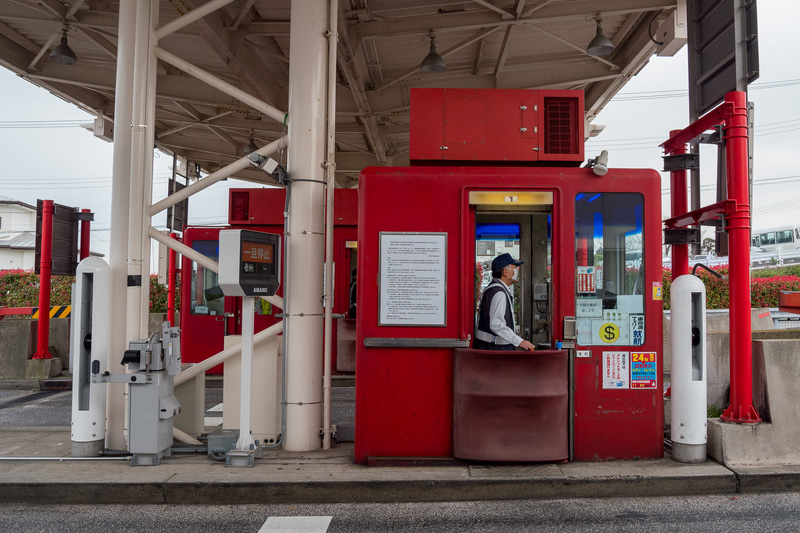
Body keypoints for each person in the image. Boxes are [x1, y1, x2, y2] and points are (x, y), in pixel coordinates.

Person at [474, 253, 536, 351]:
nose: (516, 272)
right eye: (514, 268)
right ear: (505, 272)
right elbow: (496, 324)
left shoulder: (493, 289)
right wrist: (519, 341)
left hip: (490, 347)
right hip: (495, 349)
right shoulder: (499, 293)